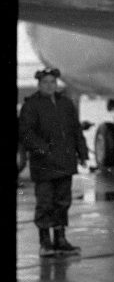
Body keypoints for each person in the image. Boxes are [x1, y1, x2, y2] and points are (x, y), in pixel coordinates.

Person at [18, 67, 89, 257]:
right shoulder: (31, 106)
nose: (50, 86)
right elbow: (25, 133)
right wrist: (42, 150)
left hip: (65, 163)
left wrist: (82, 153)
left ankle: (60, 239)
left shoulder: (66, 104)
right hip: (44, 164)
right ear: (39, 85)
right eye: (45, 83)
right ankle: (45, 242)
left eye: (53, 82)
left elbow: (75, 130)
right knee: (45, 203)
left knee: (62, 202)